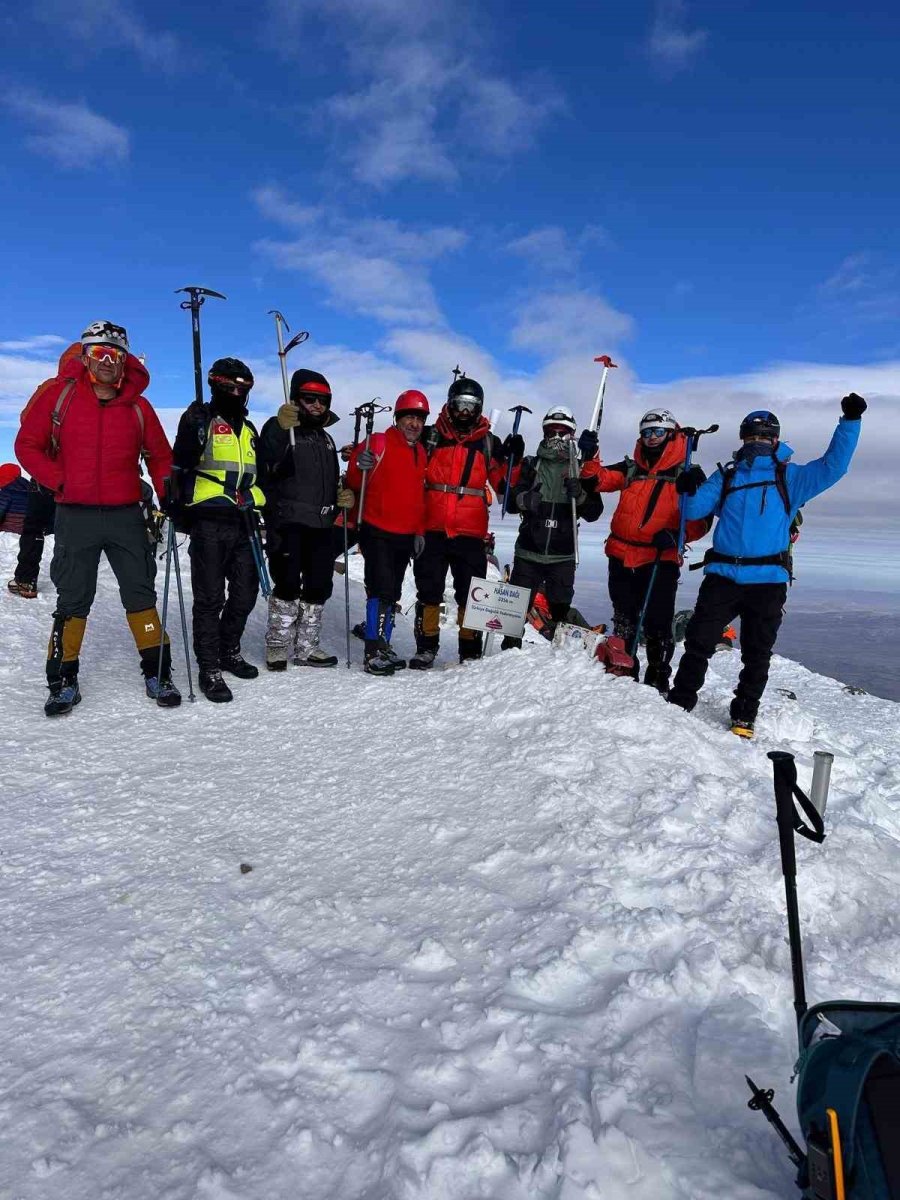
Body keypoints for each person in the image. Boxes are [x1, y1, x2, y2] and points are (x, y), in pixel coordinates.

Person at [667, 397, 865, 736]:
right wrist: (685, 490)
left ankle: (744, 716)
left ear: (775, 440)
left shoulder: (792, 478)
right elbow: (695, 510)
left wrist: (849, 421)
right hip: (723, 576)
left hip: (768, 579)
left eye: (763, 437)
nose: (757, 443)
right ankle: (680, 701)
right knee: (698, 641)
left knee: (757, 653)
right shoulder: (726, 476)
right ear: (743, 440)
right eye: (751, 438)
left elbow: (833, 466)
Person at [15, 321, 178, 716]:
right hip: (75, 514)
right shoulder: (60, 396)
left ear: (126, 362)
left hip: (125, 515)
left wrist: (166, 487)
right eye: (99, 353)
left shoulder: (139, 407)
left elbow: (159, 454)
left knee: (140, 592)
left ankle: (158, 672)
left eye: (115, 355)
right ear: (85, 356)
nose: (107, 361)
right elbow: (27, 445)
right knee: (73, 597)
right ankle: (63, 680)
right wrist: (60, 481)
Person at [578, 409, 710, 692]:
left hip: (659, 558)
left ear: (671, 434)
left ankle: (657, 678)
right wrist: (590, 456)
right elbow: (597, 480)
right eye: (646, 432)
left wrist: (677, 535)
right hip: (621, 555)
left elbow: (702, 520)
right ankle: (625, 672)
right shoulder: (632, 468)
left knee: (657, 623)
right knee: (624, 617)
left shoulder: (688, 474)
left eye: (658, 432)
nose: (651, 438)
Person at [172, 358, 264, 703]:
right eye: (231, 388)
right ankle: (209, 667)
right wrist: (191, 427)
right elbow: (182, 459)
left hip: (244, 521)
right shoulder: (201, 419)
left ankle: (229, 649)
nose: (238, 394)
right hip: (209, 520)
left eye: (244, 389)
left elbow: (260, 472)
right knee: (210, 598)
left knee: (245, 594)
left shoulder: (249, 429)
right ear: (216, 386)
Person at [409, 375, 509, 669]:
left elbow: (504, 485)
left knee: (471, 594)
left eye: (471, 406)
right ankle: (426, 647)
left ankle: (470, 650)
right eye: (460, 405)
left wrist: (511, 459)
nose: (464, 413)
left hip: (470, 531)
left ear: (479, 409)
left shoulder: (488, 443)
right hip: (433, 528)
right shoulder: (431, 437)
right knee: (429, 589)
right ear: (450, 405)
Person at [257, 368, 354, 670]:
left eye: (322, 400)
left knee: (318, 586)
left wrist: (340, 499)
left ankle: (306, 648)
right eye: (309, 398)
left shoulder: (325, 439)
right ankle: (277, 646)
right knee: (286, 584)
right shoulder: (280, 428)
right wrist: (278, 428)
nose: (316, 405)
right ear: (296, 399)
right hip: (288, 522)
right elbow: (267, 466)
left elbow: (325, 483)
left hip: (322, 526)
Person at [502, 406, 603, 649]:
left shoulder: (581, 468)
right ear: (544, 433)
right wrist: (524, 499)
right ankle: (509, 653)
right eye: (552, 432)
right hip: (528, 552)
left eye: (564, 432)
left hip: (563, 554)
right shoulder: (531, 464)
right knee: (516, 610)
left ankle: (557, 661)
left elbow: (594, 512)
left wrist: (579, 494)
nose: (557, 438)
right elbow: (508, 500)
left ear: (573, 435)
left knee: (560, 608)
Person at [345, 390, 429, 675]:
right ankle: (373, 652)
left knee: (392, 591)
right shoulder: (379, 441)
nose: (414, 424)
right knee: (379, 587)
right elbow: (355, 480)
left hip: (404, 534)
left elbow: (419, 496)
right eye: (409, 417)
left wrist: (419, 531)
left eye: (419, 418)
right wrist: (359, 464)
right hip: (377, 528)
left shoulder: (420, 452)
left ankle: (384, 644)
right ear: (398, 417)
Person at [6, 479, 56, 598]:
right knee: (71, 528)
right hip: (78, 483)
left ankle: (26, 580)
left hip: (45, 480)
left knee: (33, 528)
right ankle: (74, 583)